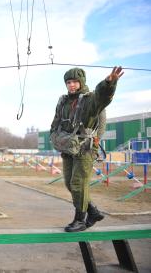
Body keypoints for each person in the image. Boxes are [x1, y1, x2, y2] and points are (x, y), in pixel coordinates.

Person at [50, 66, 124, 232]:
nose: (72, 85)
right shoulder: (63, 101)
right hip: (68, 148)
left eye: (75, 81)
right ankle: (93, 212)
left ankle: (80, 220)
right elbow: (56, 123)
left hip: (85, 149)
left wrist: (109, 83)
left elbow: (102, 97)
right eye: (68, 82)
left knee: (78, 184)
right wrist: (55, 137)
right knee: (70, 184)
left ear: (81, 82)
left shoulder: (90, 100)